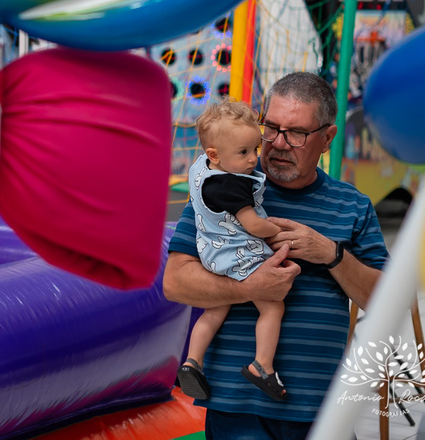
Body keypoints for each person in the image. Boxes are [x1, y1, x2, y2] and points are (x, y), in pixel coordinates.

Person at [164, 72, 388, 440]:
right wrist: (250, 287)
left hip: (322, 407)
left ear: (327, 138)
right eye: (271, 128)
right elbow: (174, 283)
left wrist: (331, 254)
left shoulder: (353, 205)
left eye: (296, 133)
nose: (279, 143)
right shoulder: (222, 188)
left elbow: (386, 300)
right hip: (237, 409)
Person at [177, 101, 287, 403]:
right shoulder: (232, 185)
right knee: (273, 308)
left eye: (255, 149)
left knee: (215, 309)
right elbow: (253, 225)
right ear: (215, 154)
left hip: (211, 254)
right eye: (243, 152)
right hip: (239, 255)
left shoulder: (202, 168)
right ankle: (262, 366)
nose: (253, 159)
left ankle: (192, 362)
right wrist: (277, 230)